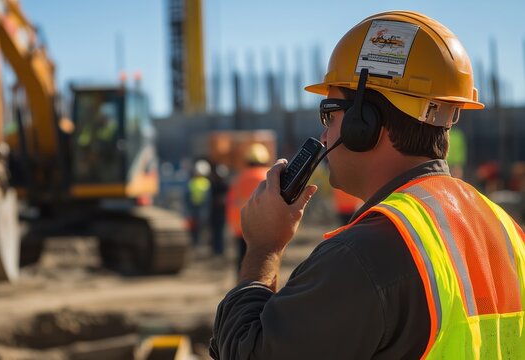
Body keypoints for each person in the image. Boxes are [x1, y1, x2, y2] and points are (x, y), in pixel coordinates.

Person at [210, 11, 524, 359]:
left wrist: (263, 249)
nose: (325, 134)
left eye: (329, 114)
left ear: (364, 122)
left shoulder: (364, 255)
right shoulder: (507, 230)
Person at [226, 143, 270, 273]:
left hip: (240, 226)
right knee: (262, 261)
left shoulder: (238, 178)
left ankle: (240, 286)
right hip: (263, 227)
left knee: (243, 258)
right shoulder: (267, 176)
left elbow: (230, 202)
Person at [186, 159, 211, 249]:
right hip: (198, 208)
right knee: (197, 228)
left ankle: (197, 243)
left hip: (198, 208)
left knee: (198, 228)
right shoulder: (205, 182)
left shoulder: (194, 182)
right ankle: (197, 244)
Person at [209, 163, 230, 257]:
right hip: (214, 212)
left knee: (220, 232)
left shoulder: (225, 186)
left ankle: (220, 249)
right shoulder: (213, 185)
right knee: (215, 231)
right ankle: (215, 249)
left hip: (221, 212)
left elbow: (229, 198)